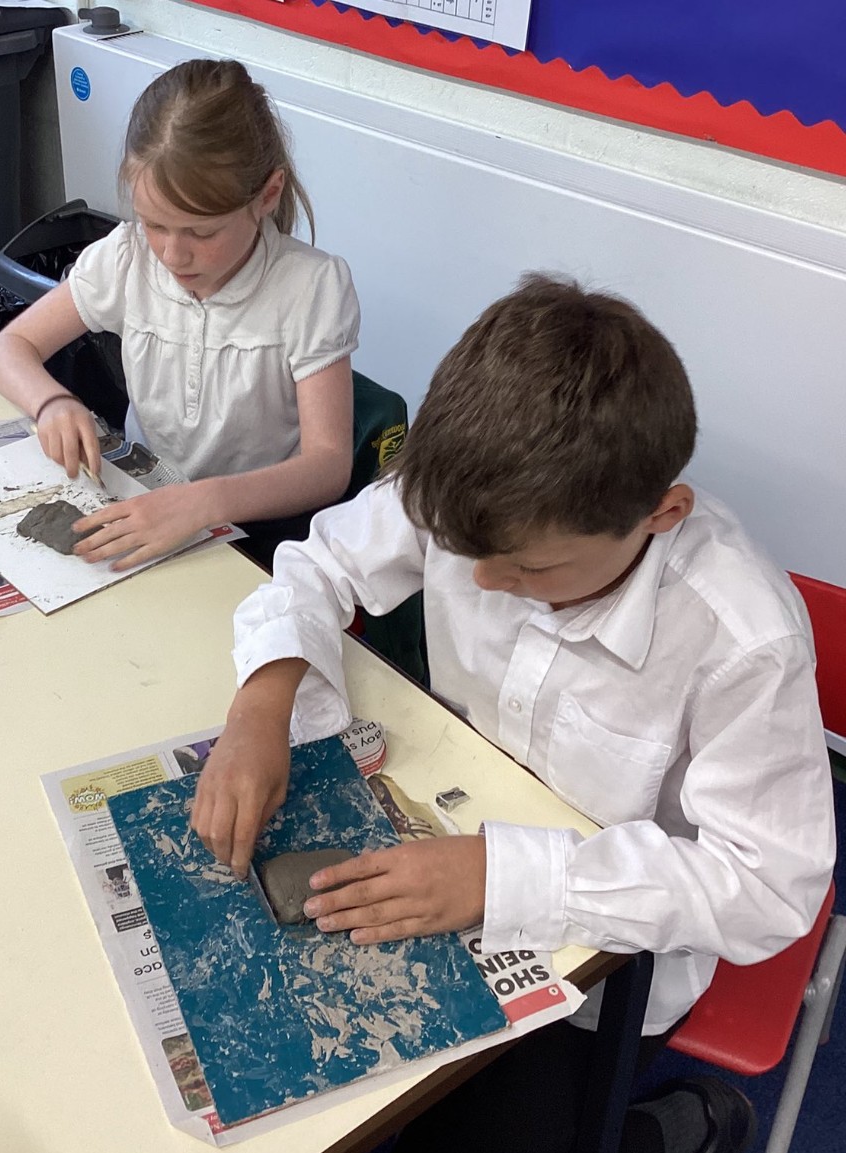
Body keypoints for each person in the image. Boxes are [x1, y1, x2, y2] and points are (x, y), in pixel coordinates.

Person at [190, 274, 836, 1153]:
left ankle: (673, 1125)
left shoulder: (743, 638)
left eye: (530, 569)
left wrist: (502, 878)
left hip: (604, 956)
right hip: (439, 837)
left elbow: (769, 886)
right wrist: (262, 704)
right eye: (465, 552)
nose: (487, 581)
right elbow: (319, 564)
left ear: (662, 514)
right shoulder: (469, 495)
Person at [0, 59, 359, 571]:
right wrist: (52, 403)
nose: (172, 254)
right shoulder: (127, 259)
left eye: (202, 232)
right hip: (142, 495)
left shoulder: (311, 288)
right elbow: (9, 348)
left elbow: (328, 466)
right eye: (154, 224)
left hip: (258, 531)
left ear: (267, 196)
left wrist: (205, 502)